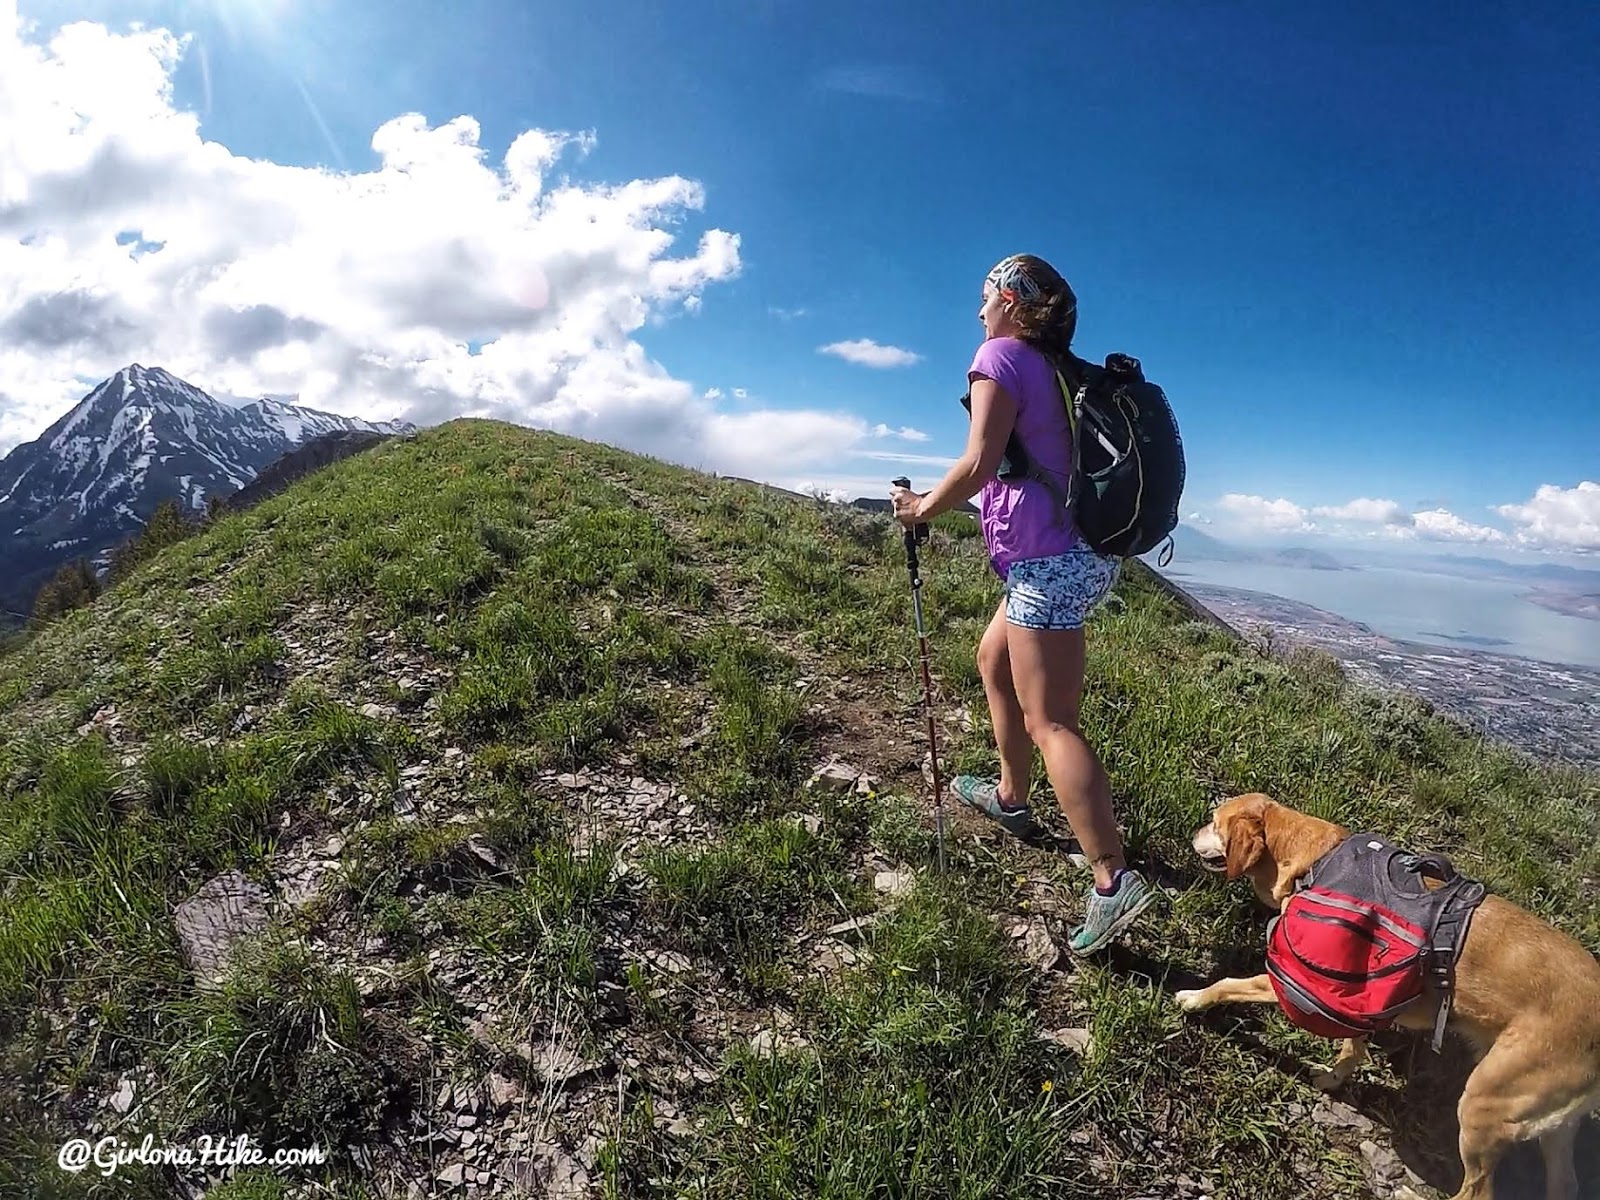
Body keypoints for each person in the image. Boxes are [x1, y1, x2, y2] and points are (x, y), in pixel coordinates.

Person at [889, 253, 1157, 956]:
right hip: (1075, 557)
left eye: (984, 296)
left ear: (1010, 301)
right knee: (992, 658)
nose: (978, 310)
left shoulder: (1001, 354)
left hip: (1051, 563)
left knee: (1052, 722)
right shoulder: (1053, 366)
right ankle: (1011, 798)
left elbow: (979, 465)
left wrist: (919, 510)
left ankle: (1112, 877)